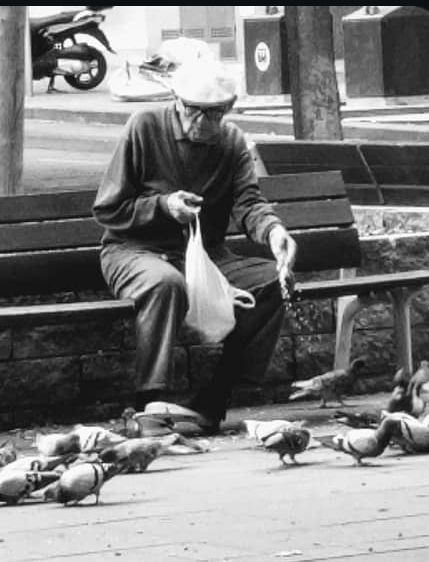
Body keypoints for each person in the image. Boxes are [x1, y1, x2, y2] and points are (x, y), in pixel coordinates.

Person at [92, 58, 297, 436]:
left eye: (214, 113)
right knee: (165, 284)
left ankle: (215, 399)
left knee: (272, 281)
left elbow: (248, 203)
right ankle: (148, 402)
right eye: (192, 110)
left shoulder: (232, 142)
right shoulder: (144, 127)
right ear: (176, 101)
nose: (201, 122)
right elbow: (109, 209)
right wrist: (163, 206)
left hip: (207, 256)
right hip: (134, 250)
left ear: (229, 108)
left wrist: (273, 232)